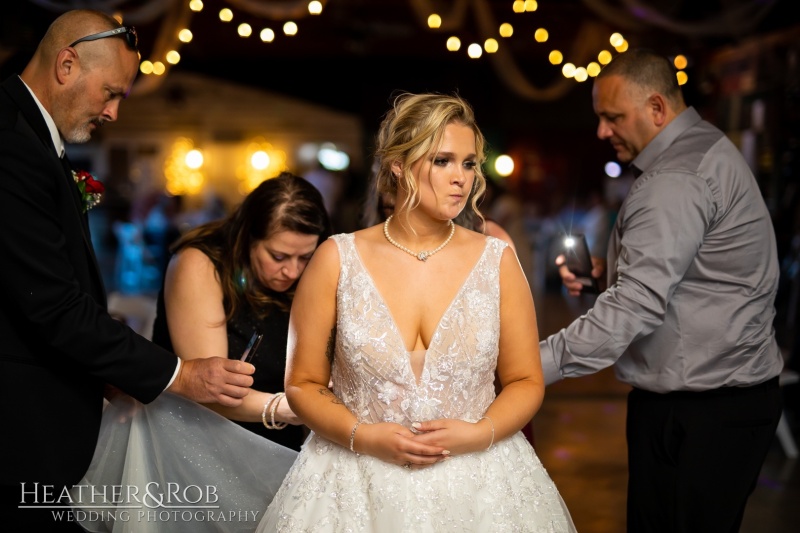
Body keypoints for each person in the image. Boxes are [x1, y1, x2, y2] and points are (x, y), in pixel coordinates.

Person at [258, 92, 575, 531]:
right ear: (399, 166)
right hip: (352, 483)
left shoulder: (497, 261)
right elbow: (303, 383)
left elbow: (525, 380)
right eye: (443, 160)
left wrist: (478, 433)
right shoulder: (337, 258)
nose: (460, 178)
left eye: (469, 163)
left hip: (483, 486)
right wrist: (363, 435)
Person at [0, 10, 254, 530]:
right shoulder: (10, 144)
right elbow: (52, 306)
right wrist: (181, 375)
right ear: (67, 64)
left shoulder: (27, 135)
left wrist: (106, 365)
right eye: (111, 93)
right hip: (15, 436)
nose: (114, 113)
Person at [540, 48, 784, 532]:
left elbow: (634, 308)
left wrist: (531, 365)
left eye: (612, 118)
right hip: (721, 401)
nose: (602, 132)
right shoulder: (701, 147)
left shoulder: (675, 177)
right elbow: (694, 274)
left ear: (656, 108)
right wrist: (607, 274)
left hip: (702, 411)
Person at [151, 172, 332, 451]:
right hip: (198, 442)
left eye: (305, 257)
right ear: (248, 237)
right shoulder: (199, 265)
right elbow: (208, 391)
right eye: (278, 256)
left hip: (280, 444)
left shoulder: (316, 271)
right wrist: (289, 406)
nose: (292, 271)